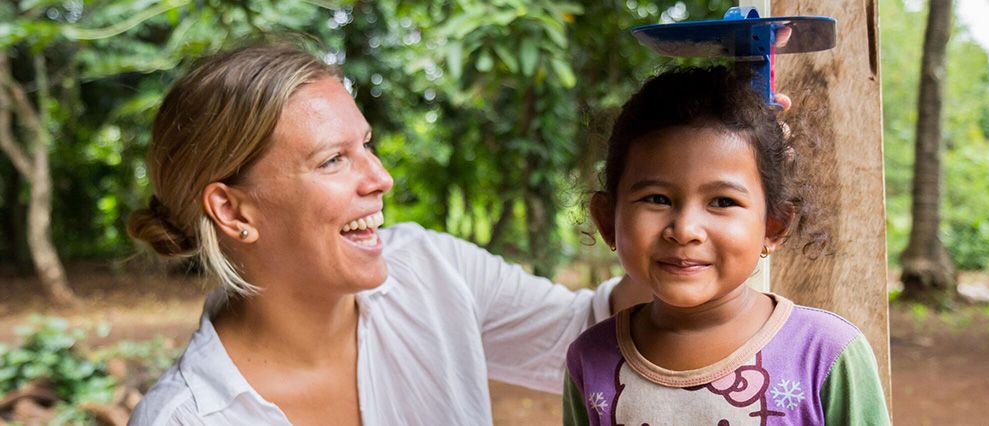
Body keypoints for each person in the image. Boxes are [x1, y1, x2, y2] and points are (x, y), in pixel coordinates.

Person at [125, 44, 651, 425]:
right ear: (233, 211)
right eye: (332, 160)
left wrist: (681, 214)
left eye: (366, 145)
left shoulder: (430, 269)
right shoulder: (186, 417)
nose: (381, 178)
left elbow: (597, 329)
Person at [562, 66, 889, 425]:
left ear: (773, 225)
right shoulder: (589, 357)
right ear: (608, 220)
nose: (685, 230)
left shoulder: (825, 353)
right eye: (656, 198)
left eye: (722, 202)